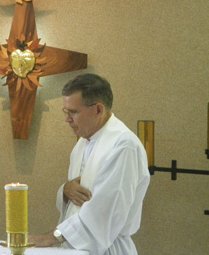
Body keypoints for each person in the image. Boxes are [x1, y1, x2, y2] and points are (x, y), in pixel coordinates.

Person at [29, 73, 150, 255]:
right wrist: (65, 190)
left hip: (106, 249)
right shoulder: (83, 142)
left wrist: (51, 237)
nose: (67, 119)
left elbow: (105, 212)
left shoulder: (124, 146)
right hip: (75, 247)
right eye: (66, 112)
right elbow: (80, 198)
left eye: (74, 112)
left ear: (98, 110)